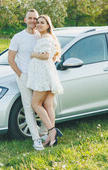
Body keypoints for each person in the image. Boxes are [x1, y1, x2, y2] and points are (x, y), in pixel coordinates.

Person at [8, 9, 46, 151]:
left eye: (35, 18)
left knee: (47, 104)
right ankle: (36, 139)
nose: (32, 21)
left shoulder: (41, 36)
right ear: (25, 20)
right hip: (24, 76)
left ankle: (43, 132)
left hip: (40, 76)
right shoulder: (18, 37)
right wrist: (20, 74)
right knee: (29, 107)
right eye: (29, 18)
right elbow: (10, 58)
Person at [27, 15, 64, 147]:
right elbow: (52, 58)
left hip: (43, 76)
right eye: (38, 22)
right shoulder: (49, 38)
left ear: (48, 25)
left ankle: (51, 130)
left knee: (35, 104)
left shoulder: (46, 38)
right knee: (48, 105)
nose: (38, 24)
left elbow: (46, 55)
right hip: (48, 73)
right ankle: (51, 137)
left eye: (42, 23)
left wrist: (33, 55)